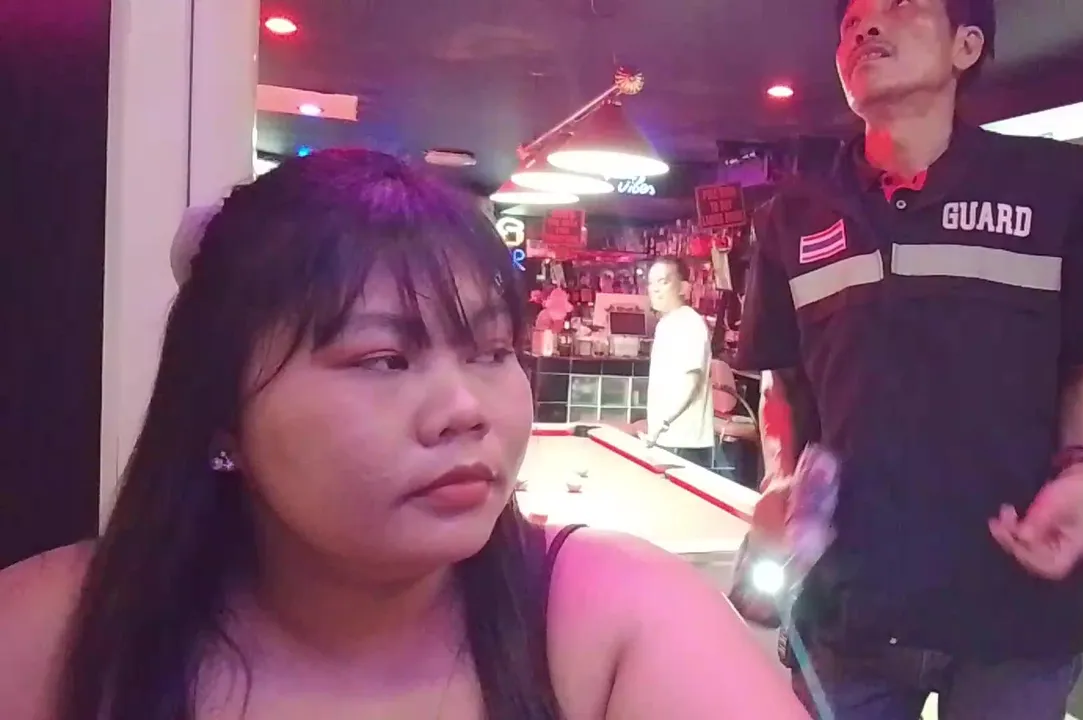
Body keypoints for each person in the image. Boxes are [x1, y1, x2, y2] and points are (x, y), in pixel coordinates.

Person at [0, 150, 808, 720]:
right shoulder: (57, 633)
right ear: (221, 411)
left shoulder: (614, 618)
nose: (466, 408)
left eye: (492, 351)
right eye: (384, 359)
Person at [735, 1, 1083, 718]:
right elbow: (784, 384)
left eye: (901, 6)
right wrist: (781, 477)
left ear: (966, 45)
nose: (865, 27)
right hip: (850, 604)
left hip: (1015, 605)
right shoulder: (791, 215)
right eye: (851, 22)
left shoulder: (1052, 188)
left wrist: (1082, 474)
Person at [644, 257, 716, 468]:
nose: (655, 289)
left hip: (685, 444)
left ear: (683, 287)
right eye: (651, 283)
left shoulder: (689, 323)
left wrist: (662, 423)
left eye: (663, 282)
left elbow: (690, 383)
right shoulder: (666, 323)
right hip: (668, 439)